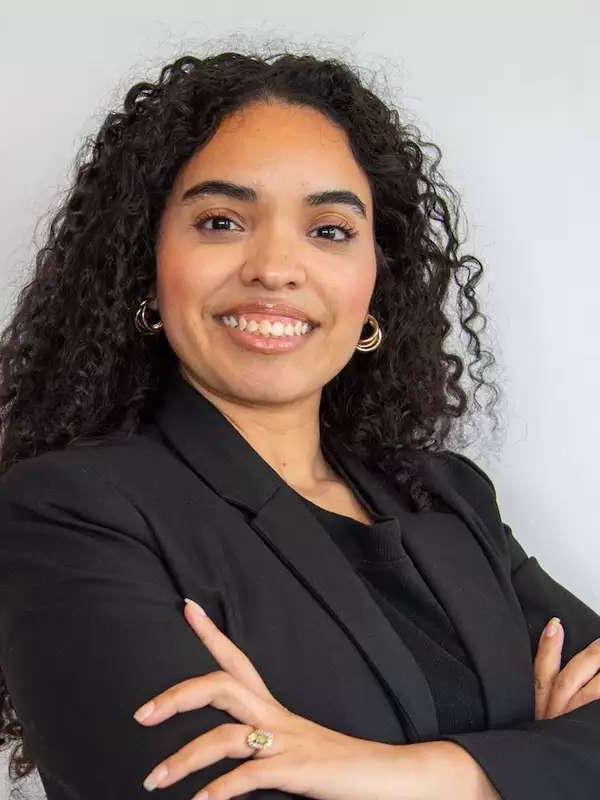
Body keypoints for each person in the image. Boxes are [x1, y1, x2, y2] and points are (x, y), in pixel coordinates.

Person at [0, 49, 598, 800]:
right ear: (146, 266)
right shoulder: (72, 512)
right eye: (221, 221)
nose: (277, 267)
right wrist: (535, 762)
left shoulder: (449, 497)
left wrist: (404, 773)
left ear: (377, 281)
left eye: (330, 230)